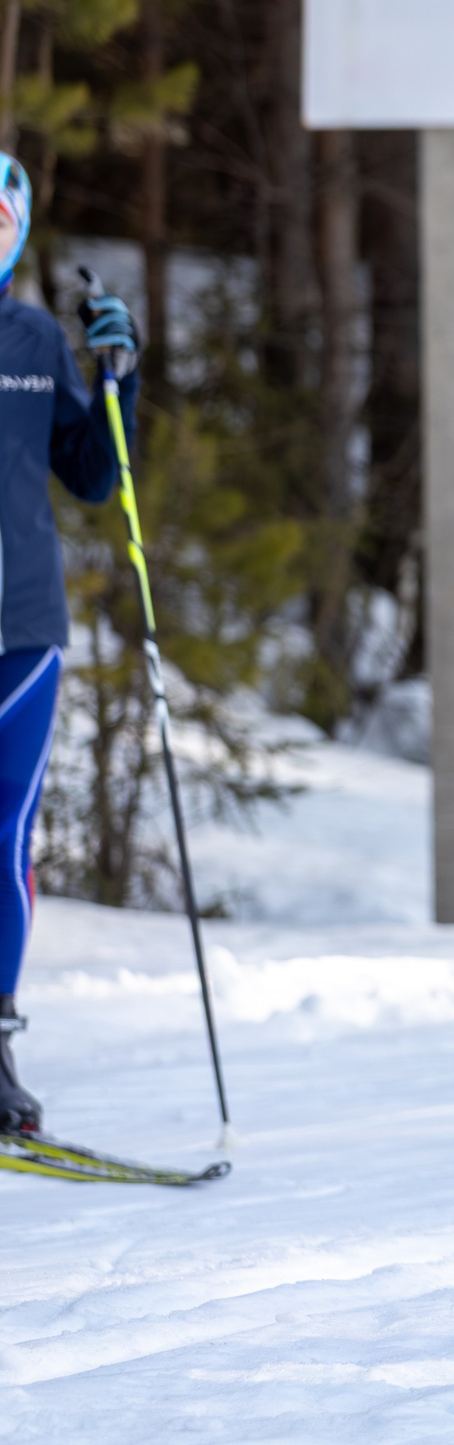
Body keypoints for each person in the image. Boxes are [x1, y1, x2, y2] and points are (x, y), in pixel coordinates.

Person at [0, 152, 144, 1132]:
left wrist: (117, 377)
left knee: (5, 836)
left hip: (23, 630)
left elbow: (93, 473)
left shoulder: (34, 336)